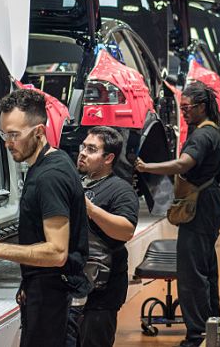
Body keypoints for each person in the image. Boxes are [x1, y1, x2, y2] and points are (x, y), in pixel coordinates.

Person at [0, 88, 89, 347]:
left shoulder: (50, 177)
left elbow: (57, 252)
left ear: (39, 132)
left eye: (15, 135)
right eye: (5, 134)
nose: (7, 142)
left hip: (54, 299)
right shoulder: (51, 162)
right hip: (46, 291)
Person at [135, 81, 220, 347]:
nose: (183, 112)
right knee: (206, 269)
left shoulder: (202, 136)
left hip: (201, 207)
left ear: (202, 107)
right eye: (181, 107)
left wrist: (147, 167)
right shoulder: (208, 130)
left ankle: (196, 335)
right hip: (208, 205)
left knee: (191, 274)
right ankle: (212, 326)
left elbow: (183, 164)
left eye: (188, 107)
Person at [69, 126, 139, 347]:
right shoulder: (76, 182)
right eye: (83, 146)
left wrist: (90, 209)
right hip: (73, 283)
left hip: (102, 291)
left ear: (108, 158)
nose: (82, 152)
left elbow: (126, 230)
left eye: (91, 149)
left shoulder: (120, 190)